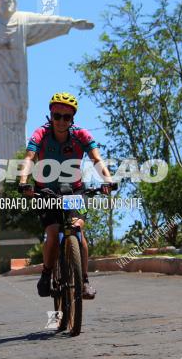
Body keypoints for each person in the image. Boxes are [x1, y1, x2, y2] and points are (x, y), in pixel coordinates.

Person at [18, 92, 114, 300]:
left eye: (66, 117)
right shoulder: (40, 134)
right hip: (46, 191)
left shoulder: (81, 135)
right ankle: (46, 274)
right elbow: (29, 158)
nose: (61, 121)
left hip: (74, 190)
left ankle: (84, 281)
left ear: (73, 119)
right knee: (52, 233)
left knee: (78, 229)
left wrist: (107, 181)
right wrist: (23, 181)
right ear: (50, 116)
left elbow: (97, 159)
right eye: (57, 116)